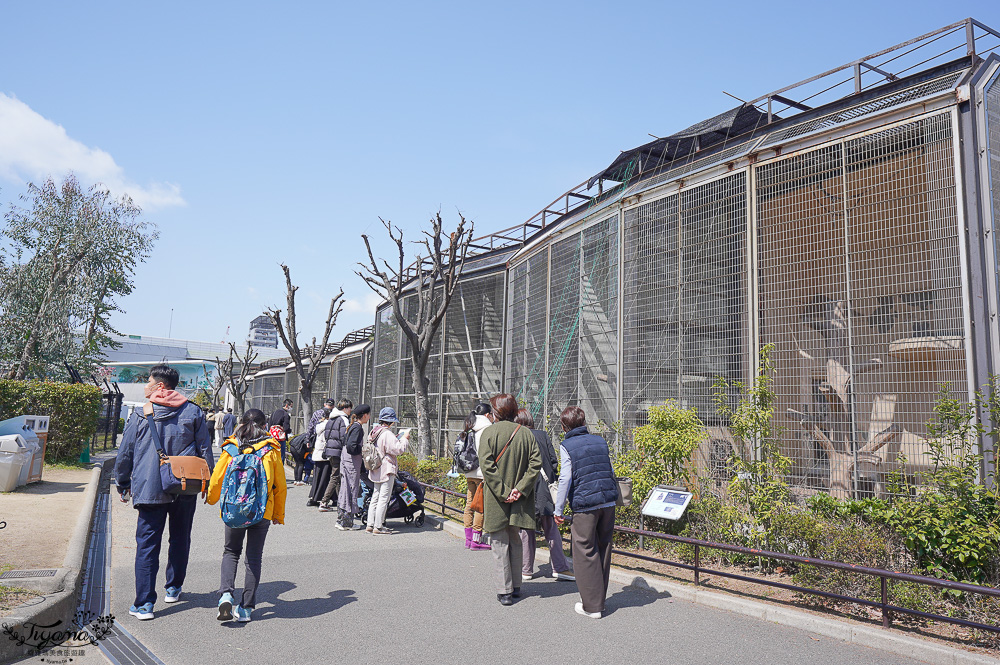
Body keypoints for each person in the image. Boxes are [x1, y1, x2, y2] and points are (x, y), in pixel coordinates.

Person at [114, 364, 214, 621]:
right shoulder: (193, 411)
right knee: (180, 538)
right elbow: (205, 450)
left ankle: (145, 604)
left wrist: (123, 482)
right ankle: (173, 588)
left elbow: (126, 453)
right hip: (185, 485)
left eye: (149, 381)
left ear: (159, 385)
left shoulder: (140, 415)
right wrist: (207, 481)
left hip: (150, 487)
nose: (146, 386)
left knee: (147, 544)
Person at [206, 409, 286, 623]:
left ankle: (225, 597)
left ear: (241, 423)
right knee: (253, 557)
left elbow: (217, 478)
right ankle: (246, 608)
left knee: (231, 551)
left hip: (233, 509)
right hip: (262, 511)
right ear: (264, 424)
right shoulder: (271, 449)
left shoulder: (231, 447)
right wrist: (278, 514)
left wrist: (213, 500)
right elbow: (280, 486)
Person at [553, 406, 618, 620]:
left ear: (564, 427)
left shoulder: (567, 445)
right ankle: (600, 600)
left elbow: (565, 479)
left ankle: (592, 606)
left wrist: (558, 509)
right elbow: (608, 469)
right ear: (583, 423)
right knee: (603, 547)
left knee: (584, 551)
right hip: (608, 501)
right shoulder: (600, 441)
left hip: (585, 504)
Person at [478, 393, 541, 606]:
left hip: (496, 498)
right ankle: (516, 587)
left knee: (499, 543)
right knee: (516, 540)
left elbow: (487, 466)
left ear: (496, 412)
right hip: (520, 500)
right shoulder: (525, 433)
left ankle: (504, 591)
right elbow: (535, 464)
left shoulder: (489, 433)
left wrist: (504, 491)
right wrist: (519, 490)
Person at [516, 408, 573, 581]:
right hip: (544, 489)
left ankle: (526, 569)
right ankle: (560, 567)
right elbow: (553, 461)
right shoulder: (542, 435)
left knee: (526, 529)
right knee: (551, 528)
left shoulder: (517, 437)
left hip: (525, 488)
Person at [365, 407, 409, 535]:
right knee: (384, 498)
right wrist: (405, 438)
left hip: (376, 468)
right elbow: (398, 449)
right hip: (386, 468)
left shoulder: (375, 431)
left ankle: (370, 524)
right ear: (391, 421)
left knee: (376, 496)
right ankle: (378, 527)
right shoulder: (387, 434)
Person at [459, 405, 491, 550]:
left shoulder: (470, 425)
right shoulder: (486, 428)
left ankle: (468, 539)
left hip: (469, 471)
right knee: (479, 506)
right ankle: (476, 541)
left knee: (469, 504)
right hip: (480, 473)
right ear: (488, 414)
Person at [336, 404, 370, 530]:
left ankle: (342, 520)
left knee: (345, 490)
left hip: (346, 461)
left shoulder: (352, 426)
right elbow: (352, 447)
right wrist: (362, 449)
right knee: (350, 490)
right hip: (351, 463)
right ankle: (346, 522)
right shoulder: (358, 428)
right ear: (365, 415)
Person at [319, 399, 352, 512]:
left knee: (337, 476)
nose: (351, 410)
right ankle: (324, 502)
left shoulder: (331, 419)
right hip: (339, 451)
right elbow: (345, 437)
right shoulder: (343, 419)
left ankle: (340, 501)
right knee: (335, 477)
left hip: (331, 451)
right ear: (345, 408)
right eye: (349, 408)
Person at [307, 409, 331, 507]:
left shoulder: (319, 425)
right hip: (325, 454)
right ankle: (322, 498)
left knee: (317, 477)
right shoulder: (329, 425)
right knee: (326, 478)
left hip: (318, 453)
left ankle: (314, 497)